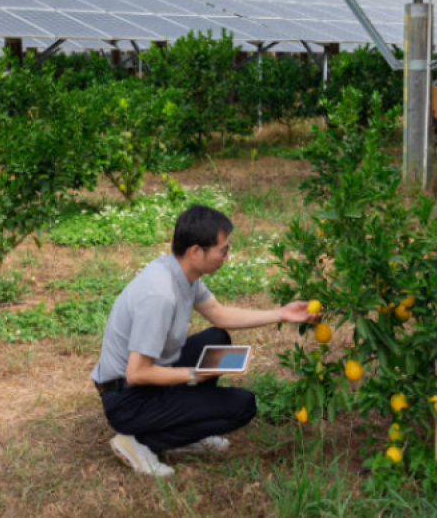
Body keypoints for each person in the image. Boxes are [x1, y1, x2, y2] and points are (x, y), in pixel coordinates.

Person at [91, 204, 316, 477]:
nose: (227, 256)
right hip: (127, 399)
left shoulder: (182, 273)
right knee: (242, 406)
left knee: (217, 337)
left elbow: (220, 315)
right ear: (196, 251)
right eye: (223, 249)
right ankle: (139, 442)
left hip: (142, 383)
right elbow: (137, 373)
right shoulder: (160, 294)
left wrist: (282, 313)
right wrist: (196, 374)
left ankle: (184, 429)